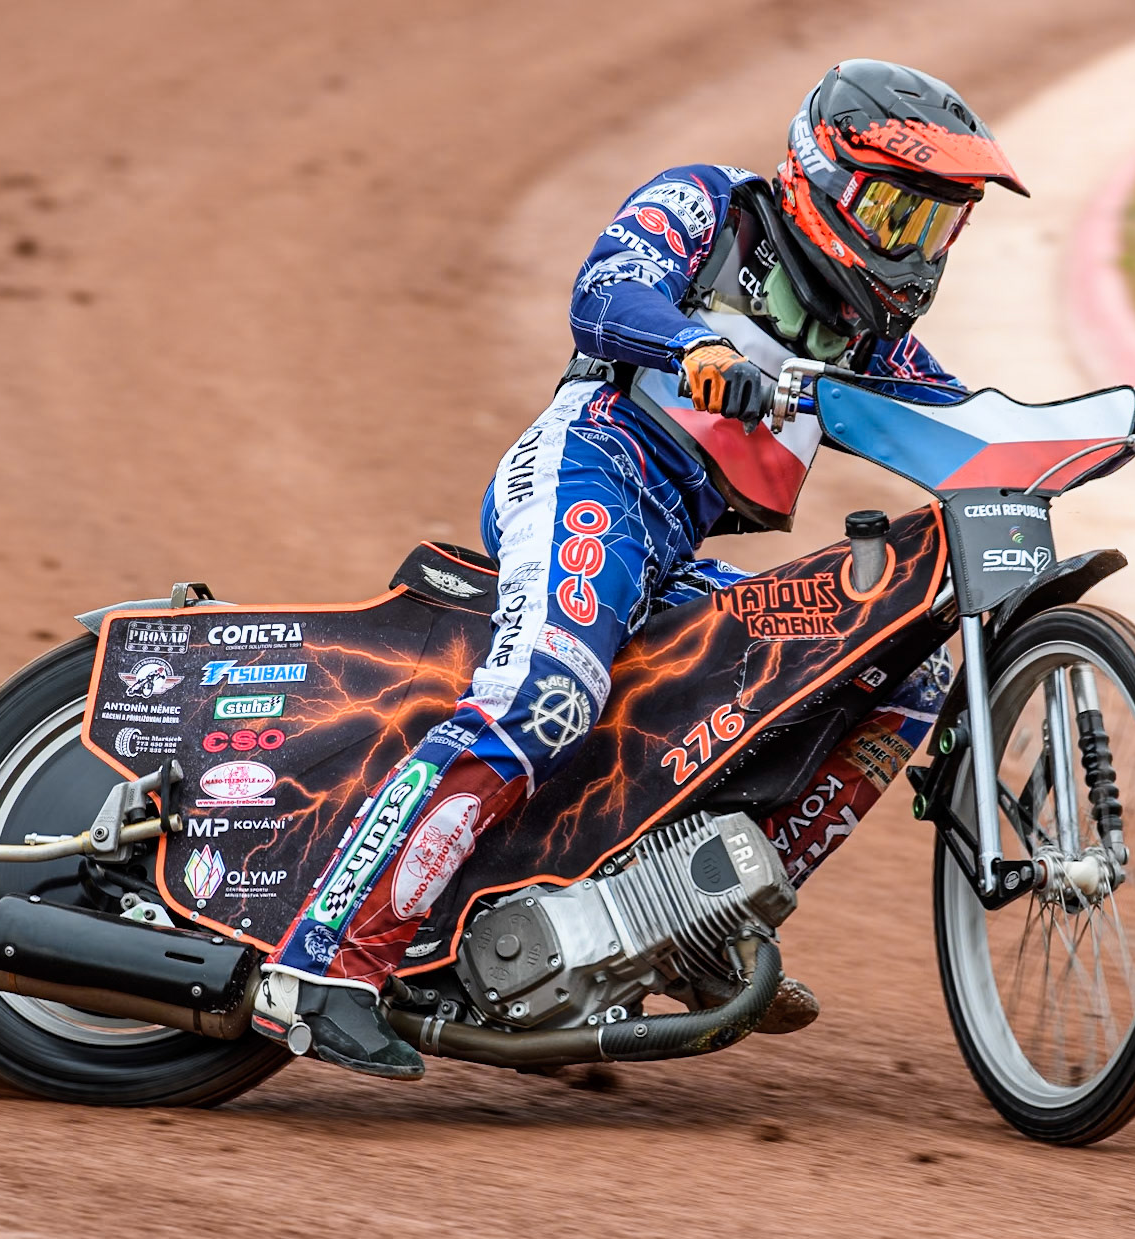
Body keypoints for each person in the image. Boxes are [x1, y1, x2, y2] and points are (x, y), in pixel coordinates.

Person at [252, 60, 1033, 1078]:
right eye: (892, 209)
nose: (911, 248)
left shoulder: (869, 342)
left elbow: (976, 432)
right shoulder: (708, 205)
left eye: (933, 224)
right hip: (588, 472)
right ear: (819, 175)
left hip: (670, 549)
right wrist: (691, 345)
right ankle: (321, 964)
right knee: (548, 690)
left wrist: (1130, 423)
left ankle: (697, 924)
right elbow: (602, 294)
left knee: (897, 664)